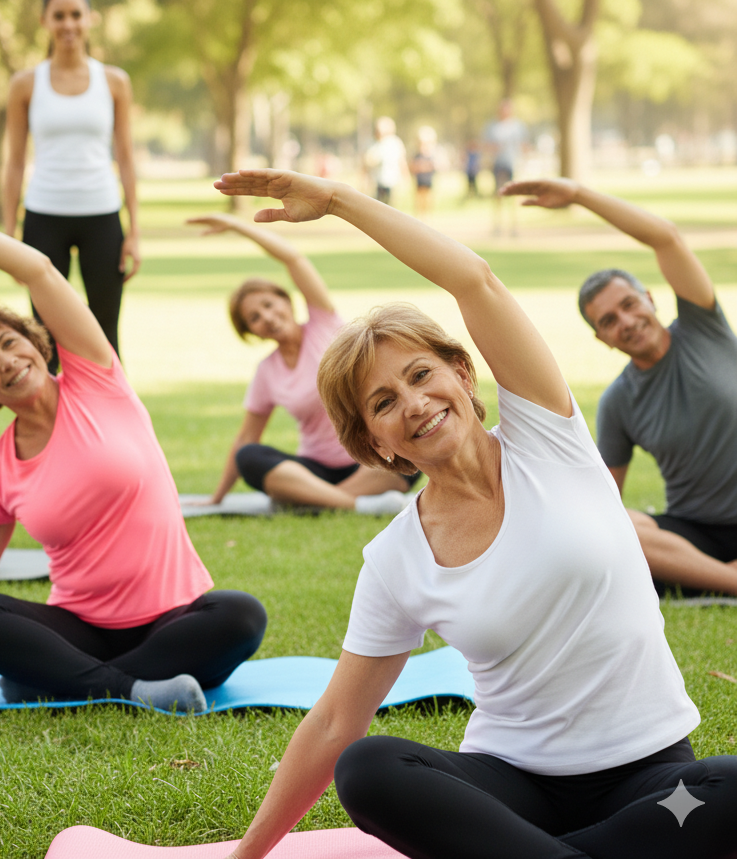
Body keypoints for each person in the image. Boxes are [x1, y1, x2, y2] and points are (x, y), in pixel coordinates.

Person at [212, 168, 737, 859]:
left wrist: (339, 202)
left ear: (462, 373)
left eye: (420, 374)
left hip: (653, 780)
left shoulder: (548, 436)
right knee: (368, 768)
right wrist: (245, 858)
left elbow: (473, 281)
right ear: (375, 441)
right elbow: (337, 721)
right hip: (509, 793)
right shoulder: (397, 557)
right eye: (383, 403)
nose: (414, 404)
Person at [0, 208, 267, 712]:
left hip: (172, 621)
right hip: (77, 629)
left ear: (35, 342)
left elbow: (39, 270)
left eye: (9, 342)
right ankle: (132, 689)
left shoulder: (98, 380)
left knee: (241, 615)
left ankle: (58, 681)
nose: (7, 361)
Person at [502, 177, 737, 597]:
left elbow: (665, 237)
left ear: (649, 298)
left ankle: (704, 578)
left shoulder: (704, 328)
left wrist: (578, 195)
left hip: (697, 554)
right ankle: (727, 579)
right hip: (696, 533)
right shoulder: (618, 401)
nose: (626, 322)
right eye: (609, 321)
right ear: (602, 339)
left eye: (629, 304)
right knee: (624, 525)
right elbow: (604, 506)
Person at [188, 212, 416, 514]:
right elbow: (246, 438)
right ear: (251, 332)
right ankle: (352, 504)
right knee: (249, 457)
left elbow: (293, 258)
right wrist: (217, 498)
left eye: (268, 305)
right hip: (315, 469)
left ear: (286, 300)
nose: (267, 317)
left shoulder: (325, 323)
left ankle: (319, 499)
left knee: (407, 448)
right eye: (254, 318)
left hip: (372, 459)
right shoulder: (267, 372)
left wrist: (238, 226)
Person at [2, 0, 140, 368]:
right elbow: (14, 162)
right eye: (59, 16)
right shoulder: (25, 84)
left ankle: (112, 410)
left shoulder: (114, 81)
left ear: (90, 19)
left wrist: (134, 231)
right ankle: (50, 407)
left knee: (106, 335)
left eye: (76, 15)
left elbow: (126, 158)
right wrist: (9, 231)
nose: (68, 24)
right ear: (44, 21)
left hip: (102, 216)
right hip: (44, 217)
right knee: (44, 336)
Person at [485, 99, 528, 235]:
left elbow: (523, 145)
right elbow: (486, 145)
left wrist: (523, 161)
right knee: (498, 194)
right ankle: (497, 225)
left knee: (514, 195)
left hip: (513, 163)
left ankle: (514, 226)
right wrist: (493, 149)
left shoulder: (517, 126)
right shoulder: (492, 126)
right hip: (498, 163)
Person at [362, 117, 409, 206]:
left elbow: (401, 161)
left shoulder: (395, 143)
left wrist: (405, 178)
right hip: (376, 181)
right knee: (377, 205)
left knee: (390, 206)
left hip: (391, 180)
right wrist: (364, 180)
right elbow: (365, 163)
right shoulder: (371, 144)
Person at [409, 125, 437, 218]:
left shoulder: (431, 156)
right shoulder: (417, 156)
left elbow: (434, 167)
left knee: (428, 200)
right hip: (419, 182)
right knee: (418, 200)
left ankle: (427, 216)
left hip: (428, 182)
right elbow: (413, 167)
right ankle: (419, 216)